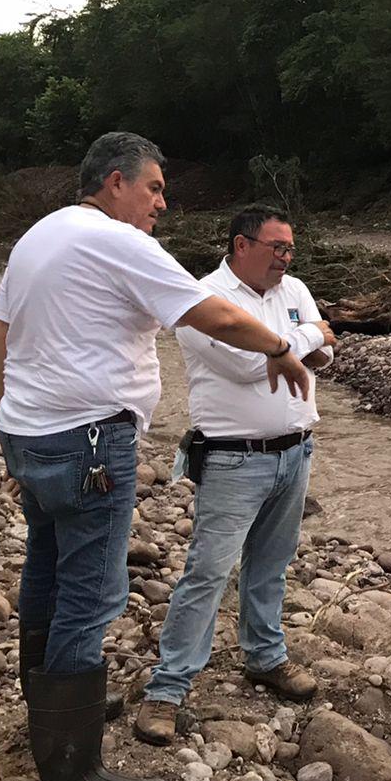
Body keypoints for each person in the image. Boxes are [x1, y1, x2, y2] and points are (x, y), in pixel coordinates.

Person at [0, 133, 313, 781]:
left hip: (30, 432)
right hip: (92, 440)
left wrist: (17, 415)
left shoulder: (40, 234)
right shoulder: (116, 240)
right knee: (90, 594)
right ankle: (70, 776)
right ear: (114, 182)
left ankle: (44, 716)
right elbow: (213, 313)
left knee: (44, 570)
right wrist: (281, 345)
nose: (163, 202)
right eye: (155, 188)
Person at [134, 206, 334, 744]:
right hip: (233, 458)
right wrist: (306, 338)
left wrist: (300, 343)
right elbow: (248, 365)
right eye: (276, 248)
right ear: (242, 245)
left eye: (290, 249)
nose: (285, 259)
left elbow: (327, 356)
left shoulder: (294, 290)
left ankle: (265, 656)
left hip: (296, 452)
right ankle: (167, 687)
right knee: (208, 572)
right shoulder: (204, 300)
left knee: (271, 565)